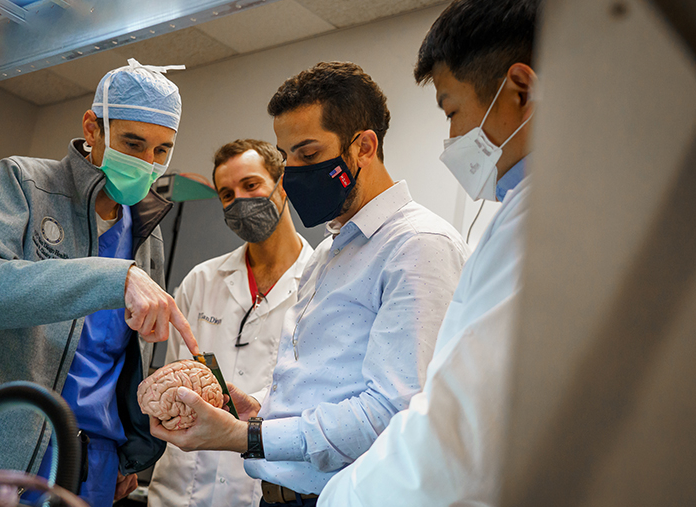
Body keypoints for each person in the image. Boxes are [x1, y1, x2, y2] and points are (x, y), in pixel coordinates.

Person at [149, 62, 469, 506]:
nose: (294, 172)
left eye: (309, 154)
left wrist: (250, 436)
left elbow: (392, 413)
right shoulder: (330, 250)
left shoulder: (417, 246)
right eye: (288, 157)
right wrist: (258, 408)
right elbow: (319, 384)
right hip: (277, 494)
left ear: (363, 147)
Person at [0, 59, 201, 506]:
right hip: (2, 450)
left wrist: (125, 451)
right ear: (92, 128)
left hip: (94, 462)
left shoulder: (146, 233)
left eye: (161, 150)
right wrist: (114, 276)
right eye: (133, 143)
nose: (147, 163)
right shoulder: (24, 183)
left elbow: (126, 356)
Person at [317, 1, 540, 505]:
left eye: (453, 112)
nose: (453, 138)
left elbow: (456, 425)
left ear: (519, 90)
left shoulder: (438, 241)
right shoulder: (527, 213)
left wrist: (340, 497)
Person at [148, 139, 314, 507]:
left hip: (257, 488)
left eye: (251, 185)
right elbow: (175, 381)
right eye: (227, 194)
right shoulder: (201, 281)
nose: (239, 200)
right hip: (179, 486)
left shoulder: (319, 285)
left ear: (281, 184)